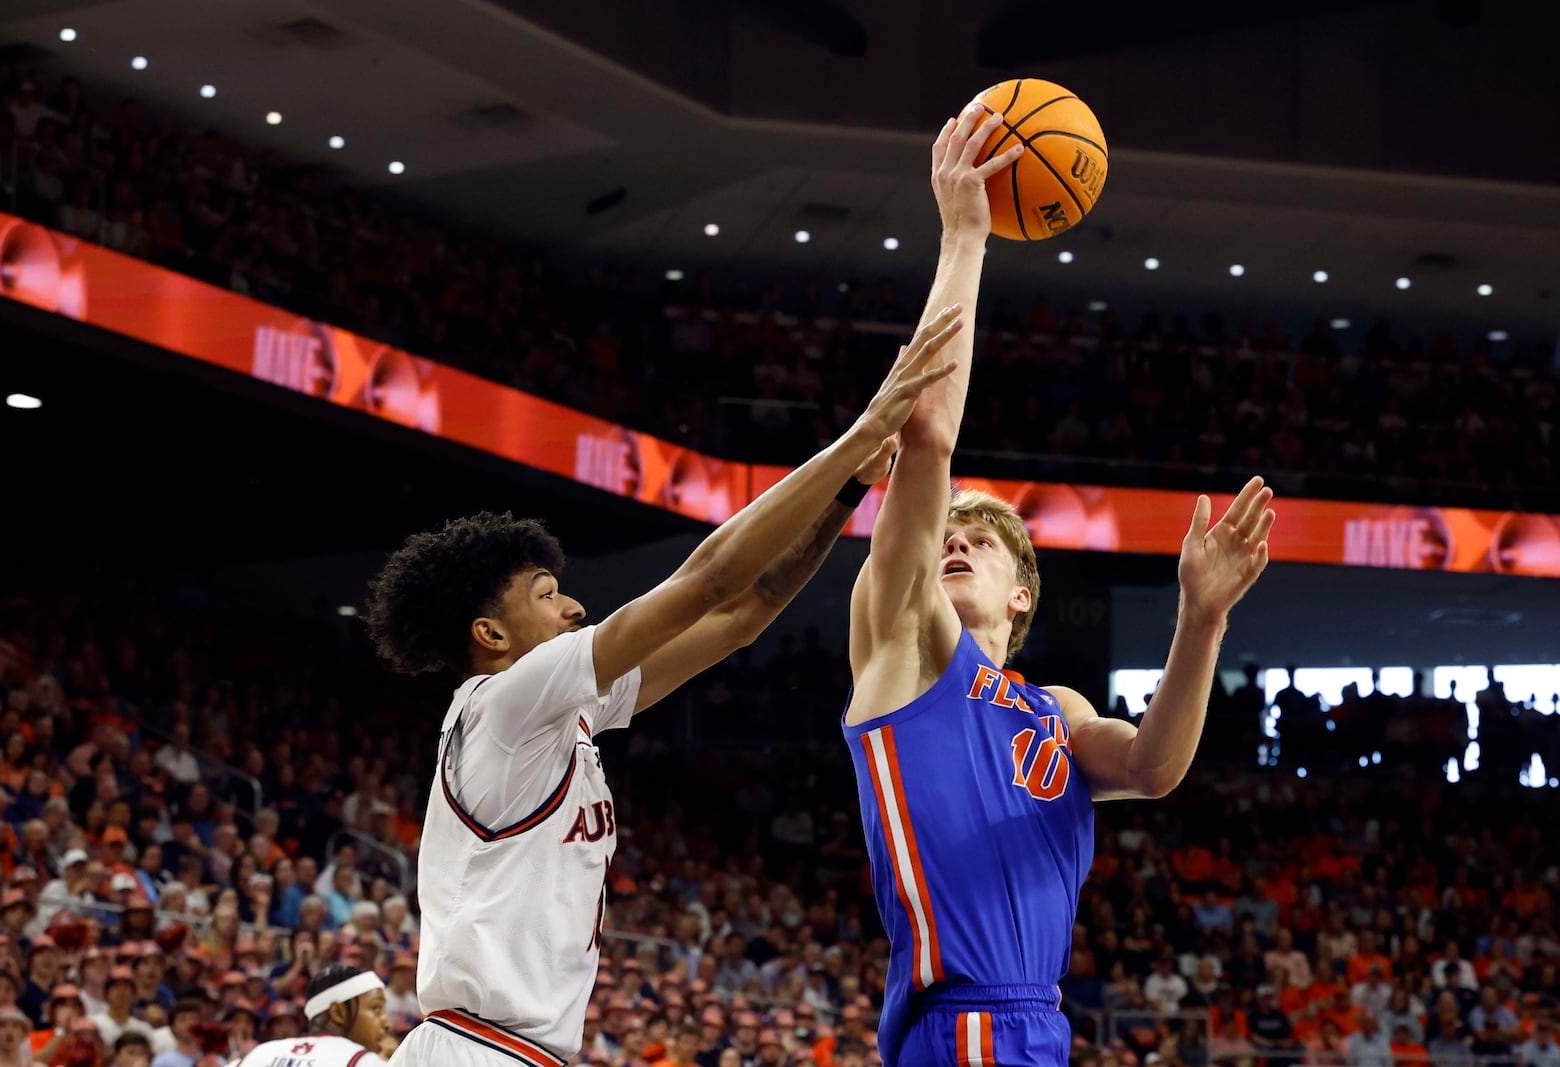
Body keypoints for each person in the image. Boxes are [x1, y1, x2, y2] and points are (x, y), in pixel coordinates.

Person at [368, 314, 965, 1067]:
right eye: (548, 593)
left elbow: (745, 611)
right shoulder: (508, 701)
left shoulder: (559, 714)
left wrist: (849, 491)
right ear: (491, 634)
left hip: (508, 1050)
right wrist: (857, 434)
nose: (574, 606)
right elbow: (708, 577)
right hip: (477, 1050)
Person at [841, 101, 1276, 1067]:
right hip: (961, 1022)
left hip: (1038, 1025)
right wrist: (965, 236)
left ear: (1025, 593)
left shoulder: (1056, 710)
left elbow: (1156, 769)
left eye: (981, 540)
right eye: (944, 532)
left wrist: (1201, 619)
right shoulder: (902, 645)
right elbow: (928, 436)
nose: (953, 542)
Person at [226, 965, 387, 1067]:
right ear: (338, 1012)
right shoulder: (364, 1061)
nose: (387, 1023)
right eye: (376, 1009)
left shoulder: (259, 1053)